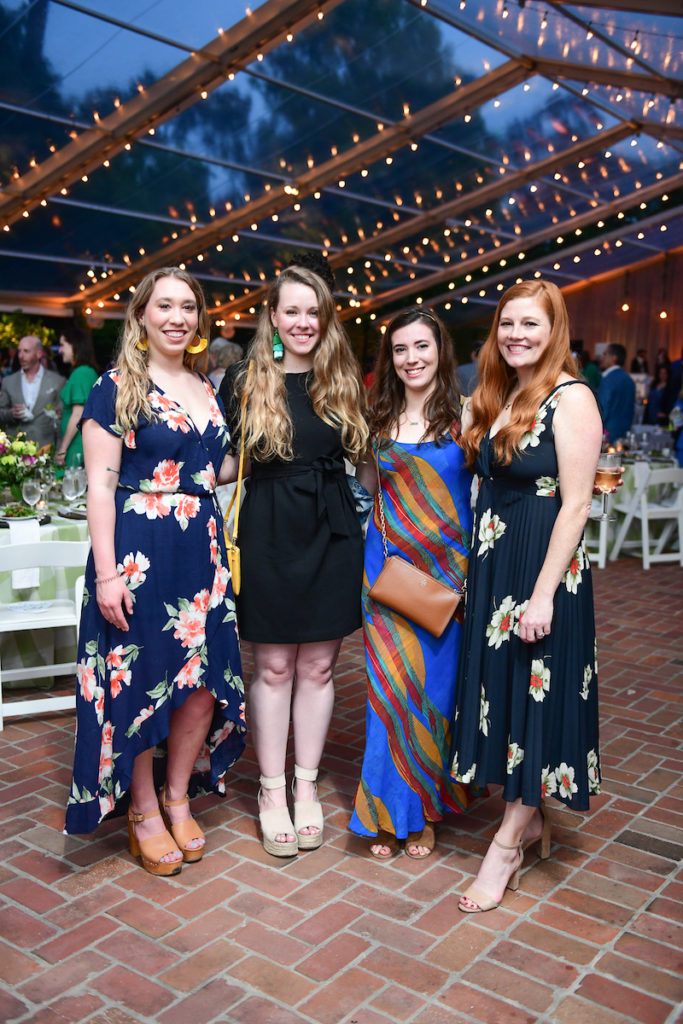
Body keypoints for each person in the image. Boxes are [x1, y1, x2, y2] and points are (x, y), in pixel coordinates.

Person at [64, 267, 246, 876]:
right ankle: (142, 809)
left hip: (203, 555)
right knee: (138, 683)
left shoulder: (205, 387)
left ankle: (176, 796)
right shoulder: (116, 387)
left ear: (200, 319)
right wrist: (108, 574)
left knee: (198, 683)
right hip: (139, 556)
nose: (177, 317)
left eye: (188, 306)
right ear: (141, 315)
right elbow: (100, 484)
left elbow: (211, 470)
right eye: (164, 305)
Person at [449, 279, 603, 913]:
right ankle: (529, 818)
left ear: (553, 331)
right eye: (507, 323)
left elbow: (575, 506)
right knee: (508, 694)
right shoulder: (502, 393)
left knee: (535, 697)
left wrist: (541, 598)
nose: (516, 334)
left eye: (530, 325)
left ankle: (508, 843)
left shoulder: (571, 398)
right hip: (496, 565)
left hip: (543, 571)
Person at [219, 263, 368, 858]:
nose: (304, 322)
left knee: (320, 670)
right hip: (271, 530)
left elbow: (367, 463)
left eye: (315, 312)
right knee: (275, 668)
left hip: (332, 531)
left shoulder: (343, 379)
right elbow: (228, 461)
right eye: (293, 311)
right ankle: (271, 791)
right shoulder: (243, 380)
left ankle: (307, 787)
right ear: (273, 317)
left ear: (325, 318)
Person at [348, 308, 476, 860]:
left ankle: (423, 809)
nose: (411, 358)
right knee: (389, 696)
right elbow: (370, 488)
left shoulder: (468, 419)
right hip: (388, 577)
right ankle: (384, 810)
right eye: (400, 350)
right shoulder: (376, 420)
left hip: (448, 579)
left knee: (435, 697)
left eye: (421, 346)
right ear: (390, 358)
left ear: (439, 351)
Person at [0, 335, 64, 447]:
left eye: (26, 351)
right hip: (15, 450)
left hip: (46, 449)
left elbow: (62, 418)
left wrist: (60, 450)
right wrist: (11, 414)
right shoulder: (8, 381)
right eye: (19, 351)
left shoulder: (57, 381)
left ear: (39, 354)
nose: (20, 356)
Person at [55, 326, 99, 467]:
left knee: (72, 487)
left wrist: (62, 449)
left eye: (62, 345)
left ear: (75, 345)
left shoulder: (81, 373)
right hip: (81, 443)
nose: (59, 350)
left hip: (77, 446)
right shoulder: (86, 371)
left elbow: (78, 414)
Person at [598, 343, 635, 443]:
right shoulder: (629, 380)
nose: (602, 358)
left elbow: (603, 409)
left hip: (607, 434)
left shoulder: (608, 379)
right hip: (624, 433)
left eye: (605, 354)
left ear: (614, 358)